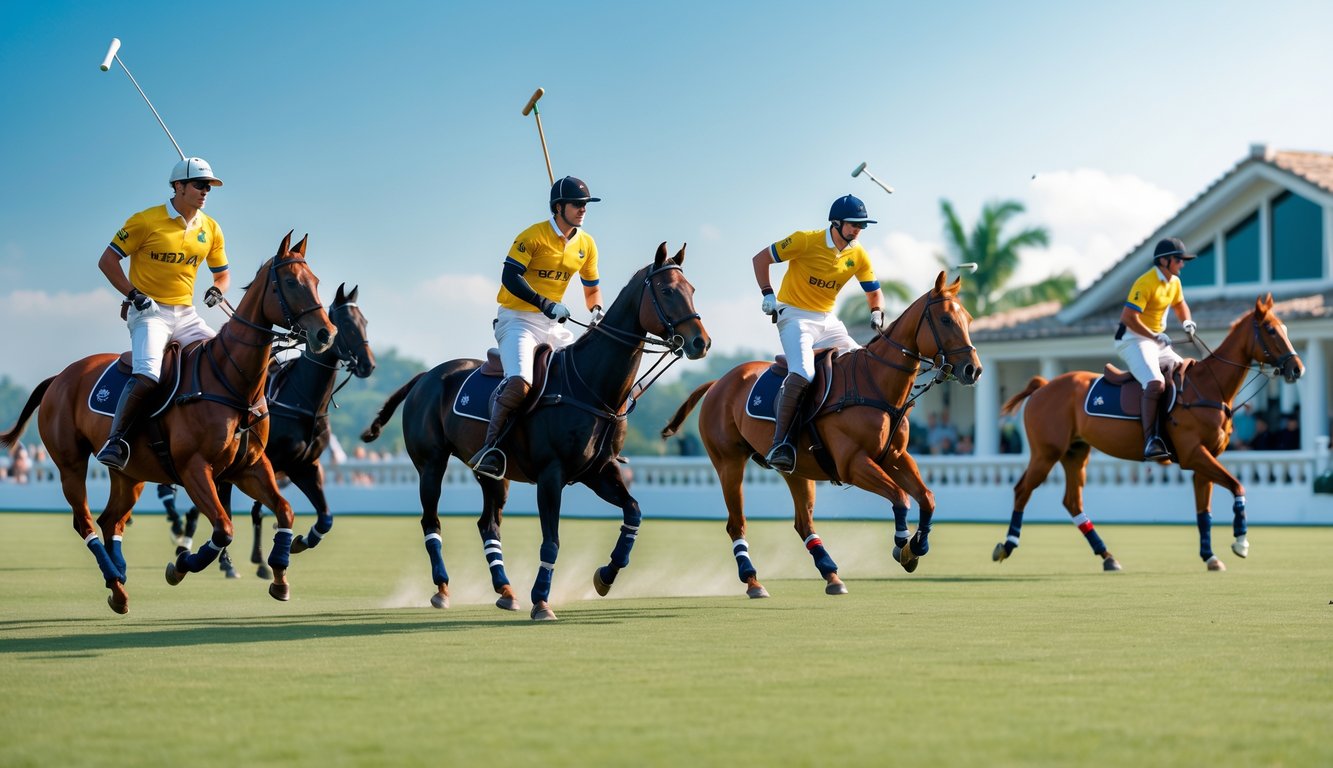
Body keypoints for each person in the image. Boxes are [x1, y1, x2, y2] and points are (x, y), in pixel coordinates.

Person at [94, 157, 230, 470]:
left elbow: (222, 273)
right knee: (149, 374)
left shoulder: (210, 228)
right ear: (179, 186)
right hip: (149, 312)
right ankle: (116, 441)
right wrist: (133, 294)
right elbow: (107, 261)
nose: (205, 191)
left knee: (224, 359)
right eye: (199, 185)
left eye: (208, 186)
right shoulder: (145, 220)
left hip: (187, 315)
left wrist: (218, 289)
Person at [470, 176, 604, 479]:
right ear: (559, 207)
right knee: (520, 381)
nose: (583, 209)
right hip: (517, 320)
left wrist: (596, 310)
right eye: (577, 204)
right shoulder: (532, 236)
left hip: (553, 324)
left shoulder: (586, 244)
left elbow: (591, 286)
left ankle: (594, 443)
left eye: (586, 205)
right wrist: (544, 303)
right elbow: (510, 278)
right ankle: (491, 448)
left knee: (584, 377)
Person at [751, 194, 887, 473]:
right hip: (794, 316)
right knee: (803, 372)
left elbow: (874, 290)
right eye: (853, 225)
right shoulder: (804, 240)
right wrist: (768, 293)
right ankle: (780, 443)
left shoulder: (857, 253)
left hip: (828, 320)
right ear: (836, 223)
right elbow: (760, 258)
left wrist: (877, 311)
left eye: (862, 226)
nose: (858, 230)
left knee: (862, 361)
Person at [1114, 237, 1196, 460]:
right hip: (1132, 339)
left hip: (1156, 340)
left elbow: (1180, 305)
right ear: (1164, 261)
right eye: (1179, 260)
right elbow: (1128, 318)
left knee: (1185, 374)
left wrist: (1186, 321)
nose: (1182, 264)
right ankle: (1151, 440)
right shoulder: (1146, 282)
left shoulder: (1174, 283)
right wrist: (1153, 335)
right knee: (1155, 383)